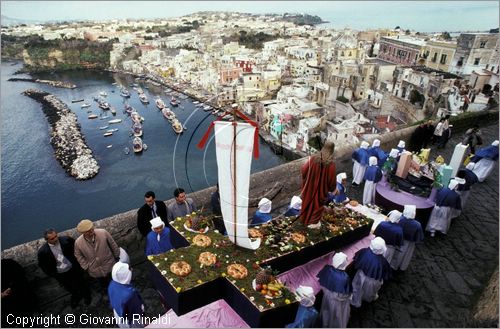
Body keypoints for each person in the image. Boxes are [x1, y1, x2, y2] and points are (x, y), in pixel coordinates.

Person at [37, 229, 91, 308]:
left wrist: (79, 264)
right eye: (52, 238)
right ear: (46, 240)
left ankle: (87, 296)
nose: (55, 239)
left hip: (73, 268)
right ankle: (76, 297)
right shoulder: (43, 251)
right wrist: (53, 274)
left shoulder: (67, 240)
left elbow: (78, 251)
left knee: (81, 282)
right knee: (69, 287)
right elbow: (43, 266)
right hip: (61, 274)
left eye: (56, 236)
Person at [74, 219, 120, 289]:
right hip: (95, 269)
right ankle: (107, 293)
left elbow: (112, 244)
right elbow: (78, 255)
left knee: (115, 280)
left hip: (110, 264)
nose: (91, 231)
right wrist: (86, 266)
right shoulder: (78, 243)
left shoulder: (103, 233)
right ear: (83, 233)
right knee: (103, 284)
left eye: (91, 229)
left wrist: (117, 256)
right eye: (88, 231)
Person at [300, 141, 337, 228]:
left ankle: (305, 220)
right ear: (332, 150)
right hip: (321, 190)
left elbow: (304, 170)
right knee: (317, 205)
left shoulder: (313, 158)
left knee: (307, 202)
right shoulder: (331, 164)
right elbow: (331, 181)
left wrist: (308, 180)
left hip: (310, 187)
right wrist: (333, 189)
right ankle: (313, 223)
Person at [350, 237, 391, 308]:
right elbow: (385, 273)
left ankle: (356, 300)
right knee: (369, 291)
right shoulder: (383, 262)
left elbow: (357, 259)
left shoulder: (364, 251)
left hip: (361, 275)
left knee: (358, 287)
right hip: (373, 280)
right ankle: (367, 299)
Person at [317, 252, 352, 328]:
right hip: (338, 302)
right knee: (338, 315)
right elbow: (345, 294)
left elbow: (323, 284)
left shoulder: (327, 269)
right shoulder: (345, 278)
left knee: (327, 310)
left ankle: (325, 323)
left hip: (327, 296)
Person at [108, 262, 145, 328]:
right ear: (125, 275)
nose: (132, 269)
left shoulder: (112, 283)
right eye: (129, 269)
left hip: (118, 314)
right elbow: (136, 313)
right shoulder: (130, 294)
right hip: (131, 320)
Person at [1, 259, 36, 326]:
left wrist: (10, 288)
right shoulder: (8, 263)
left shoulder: (8, 263)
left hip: (19, 300)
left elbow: (20, 277)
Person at [393, 205, 424, 271]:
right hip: (409, 243)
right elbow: (418, 237)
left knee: (395, 253)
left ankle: (393, 265)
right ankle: (402, 266)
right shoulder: (417, 225)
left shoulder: (399, 219)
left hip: (398, 240)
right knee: (406, 255)